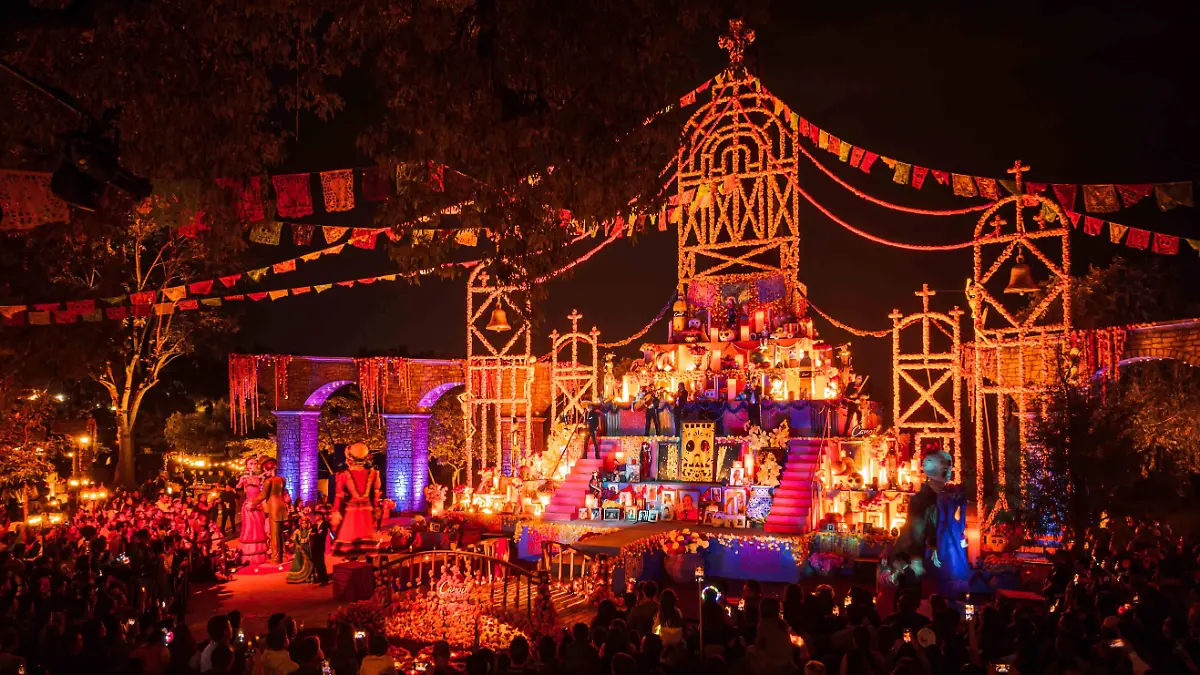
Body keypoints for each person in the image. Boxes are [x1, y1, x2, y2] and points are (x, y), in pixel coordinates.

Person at [331, 443, 381, 556]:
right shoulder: (373, 473)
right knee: (367, 543)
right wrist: (376, 509)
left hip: (352, 511)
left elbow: (338, 495)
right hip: (366, 509)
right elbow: (376, 493)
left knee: (349, 543)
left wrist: (335, 512)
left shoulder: (343, 475)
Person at [253, 458, 290, 565]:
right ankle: (284, 556)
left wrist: (253, 502)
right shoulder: (283, 479)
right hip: (282, 506)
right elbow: (281, 492)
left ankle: (275, 558)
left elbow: (263, 495)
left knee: (274, 534)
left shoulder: (268, 481)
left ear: (266, 469)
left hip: (273, 507)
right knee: (280, 533)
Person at [237, 458, 269, 565]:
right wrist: (242, 481)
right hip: (249, 505)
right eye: (251, 463)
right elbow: (238, 487)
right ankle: (249, 556)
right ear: (247, 465)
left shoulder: (258, 477)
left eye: (255, 463)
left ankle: (260, 555)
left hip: (258, 504)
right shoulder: (244, 477)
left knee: (259, 528)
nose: (254, 465)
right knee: (250, 528)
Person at [286, 515, 315, 584]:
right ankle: (296, 578)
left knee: (308, 562)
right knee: (298, 562)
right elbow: (295, 539)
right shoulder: (297, 531)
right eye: (302, 523)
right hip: (299, 548)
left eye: (305, 523)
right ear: (300, 524)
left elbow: (311, 538)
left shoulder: (309, 531)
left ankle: (308, 578)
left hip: (307, 548)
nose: (304, 525)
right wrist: (298, 545)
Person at [310, 510, 331, 584]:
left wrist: (315, 534)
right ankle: (320, 577)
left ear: (321, 516)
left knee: (321, 562)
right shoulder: (314, 526)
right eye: (315, 515)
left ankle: (324, 579)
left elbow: (321, 535)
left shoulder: (324, 525)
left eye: (317, 515)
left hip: (320, 545)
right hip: (314, 546)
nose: (315, 517)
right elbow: (311, 534)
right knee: (316, 563)